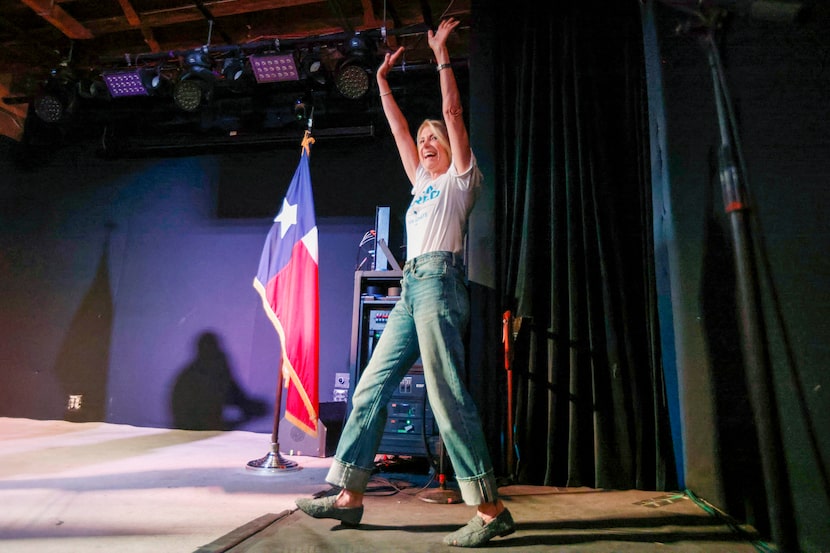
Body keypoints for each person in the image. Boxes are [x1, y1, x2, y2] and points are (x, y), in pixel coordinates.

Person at [295, 17, 515, 547]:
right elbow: (396, 129)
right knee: (371, 385)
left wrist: (441, 54)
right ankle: (348, 495)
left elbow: (454, 114)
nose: (425, 142)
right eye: (422, 140)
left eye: (432, 137)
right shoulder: (419, 182)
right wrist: (383, 83)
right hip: (410, 287)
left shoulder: (461, 180)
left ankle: (489, 508)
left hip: (440, 283)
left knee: (446, 394)